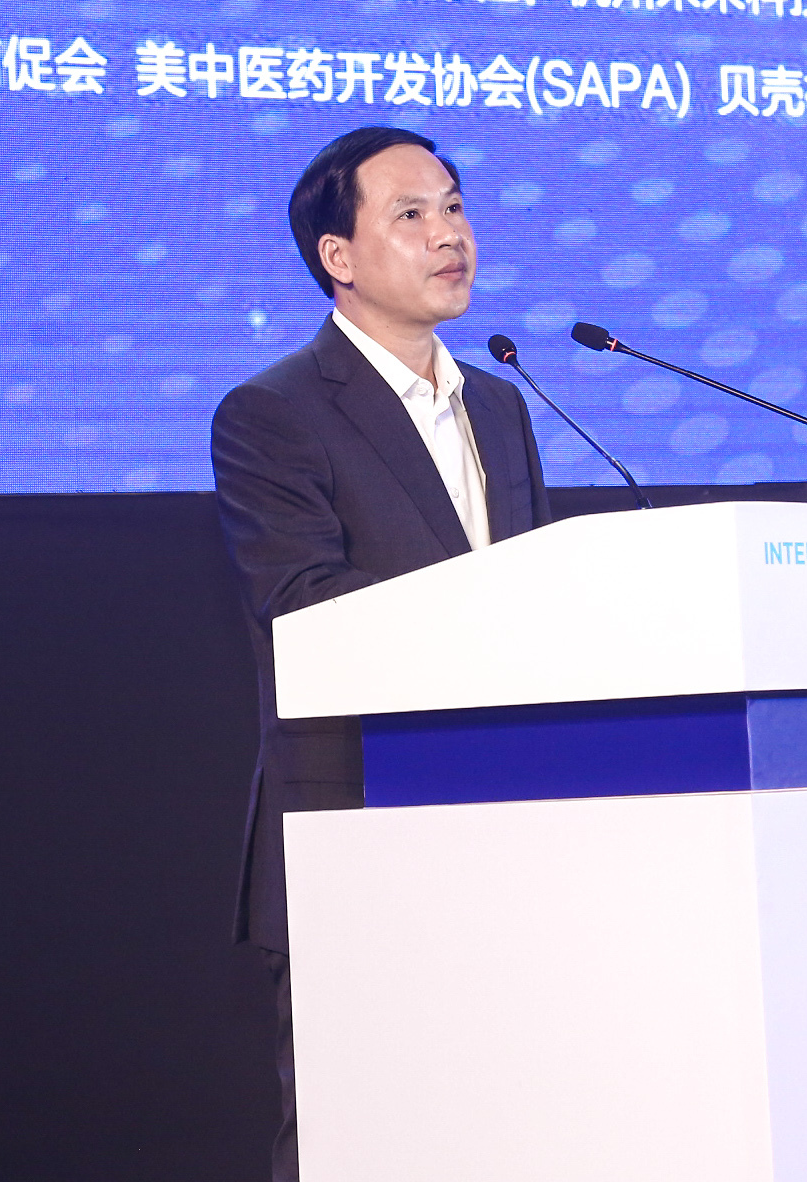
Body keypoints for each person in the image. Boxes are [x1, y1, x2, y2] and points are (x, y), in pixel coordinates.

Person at [210, 125, 554, 1180]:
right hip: (358, 827)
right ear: (339, 256)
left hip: (514, 828)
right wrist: (490, 617)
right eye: (411, 214)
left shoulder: (498, 403)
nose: (450, 234)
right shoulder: (273, 413)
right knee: (354, 1141)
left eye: (454, 206)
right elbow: (303, 604)